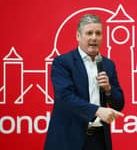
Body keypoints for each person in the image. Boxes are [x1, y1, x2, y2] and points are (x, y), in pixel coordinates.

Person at [44, 14, 124, 150]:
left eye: (98, 33)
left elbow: (119, 104)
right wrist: (97, 110)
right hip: (68, 139)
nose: (94, 37)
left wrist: (109, 89)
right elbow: (64, 97)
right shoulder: (62, 62)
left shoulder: (108, 64)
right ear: (78, 36)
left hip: (99, 140)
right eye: (89, 33)